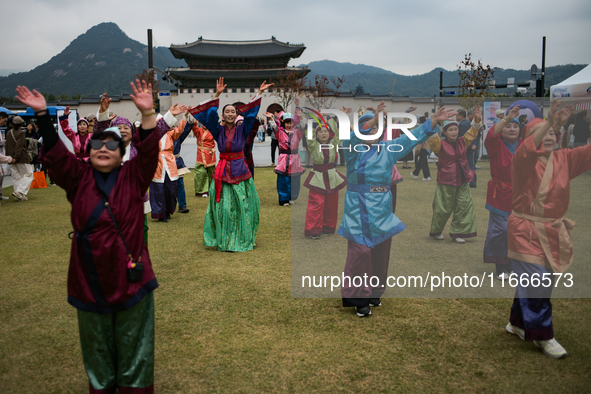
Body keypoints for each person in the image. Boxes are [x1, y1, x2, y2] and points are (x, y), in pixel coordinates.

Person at [15, 80, 160, 392]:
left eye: (111, 145)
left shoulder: (135, 177)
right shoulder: (77, 177)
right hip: (88, 278)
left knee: (135, 347)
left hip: (131, 277)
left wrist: (148, 113)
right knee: (97, 349)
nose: (103, 149)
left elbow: (148, 150)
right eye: (97, 145)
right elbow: (55, 154)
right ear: (89, 152)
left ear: (123, 153)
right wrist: (42, 115)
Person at [339, 102, 457, 317]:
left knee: (381, 250)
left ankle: (375, 291)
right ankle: (357, 296)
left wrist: (433, 121)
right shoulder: (352, 150)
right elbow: (352, 137)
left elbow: (411, 138)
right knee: (361, 250)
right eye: (368, 128)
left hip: (382, 206)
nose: (372, 131)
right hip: (358, 207)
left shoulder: (388, 150)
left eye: (376, 128)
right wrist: (372, 120)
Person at [504, 99, 586, 359]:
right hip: (524, 228)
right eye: (543, 133)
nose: (549, 136)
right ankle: (542, 335)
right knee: (537, 279)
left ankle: (517, 322)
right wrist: (550, 120)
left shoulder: (565, 159)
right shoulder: (523, 162)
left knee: (540, 280)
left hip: (552, 230)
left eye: (552, 132)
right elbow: (527, 150)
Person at [189, 78, 272, 252]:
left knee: (243, 206)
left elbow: (250, 115)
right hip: (223, 171)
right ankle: (225, 237)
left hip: (240, 169)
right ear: (223, 115)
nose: (230, 114)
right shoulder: (217, 130)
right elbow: (210, 114)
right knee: (224, 208)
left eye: (233, 112)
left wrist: (260, 93)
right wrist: (217, 94)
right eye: (227, 111)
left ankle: (242, 235)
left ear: (236, 115)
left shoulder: (243, 129)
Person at [428, 106, 482, 243]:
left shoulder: (463, 141)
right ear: (445, 132)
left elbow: (473, 132)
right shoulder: (440, 145)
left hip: (463, 178)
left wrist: (476, 118)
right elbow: (432, 136)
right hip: (446, 180)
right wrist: (434, 120)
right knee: (442, 208)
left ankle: (459, 233)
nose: (454, 132)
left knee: (463, 206)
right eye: (450, 130)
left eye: (455, 130)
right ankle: (437, 230)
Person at [483, 106, 523, 280]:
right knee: (501, 230)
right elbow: (491, 134)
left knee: (516, 231)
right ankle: (499, 264)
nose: (512, 129)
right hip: (500, 193)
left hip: (521, 195)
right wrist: (507, 119)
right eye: (508, 126)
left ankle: (511, 264)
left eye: (515, 126)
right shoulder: (496, 145)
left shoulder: (524, 145)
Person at [303, 110, 346, 239]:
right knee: (316, 204)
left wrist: (341, 116)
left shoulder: (333, 144)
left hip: (332, 176)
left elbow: (340, 135)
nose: (323, 133)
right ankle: (313, 230)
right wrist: (313, 120)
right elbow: (308, 136)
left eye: (326, 131)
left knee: (331, 205)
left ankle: (328, 227)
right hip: (318, 176)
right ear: (317, 134)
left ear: (329, 134)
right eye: (320, 131)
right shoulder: (313, 145)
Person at [267, 110, 305, 206]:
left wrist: (301, 118)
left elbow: (303, 127)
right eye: (287, 123)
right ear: (284, 123)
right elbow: (274, 127)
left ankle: (291, 197)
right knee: (283, 180)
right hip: (284, 159)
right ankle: (283, 199)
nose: (289, 125)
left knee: (295, 180)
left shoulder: (297, 133)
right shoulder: (280, 132)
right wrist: (272, 119)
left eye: (291, 122)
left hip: (295, 159)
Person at [5, 115, 33, 201]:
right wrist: (16, 157)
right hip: (20, 157)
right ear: (21, 124)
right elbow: (19, 146)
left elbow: (8, 146)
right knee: (28, 175)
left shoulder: (8, 132)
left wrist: (11, 157)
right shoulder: (21, 133)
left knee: (16, 177)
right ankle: (20, 192)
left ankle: (19, 194)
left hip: (10, 157)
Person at [193, 121, 216, 198]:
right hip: (201, 154)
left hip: (210, 154)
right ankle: (202, 191)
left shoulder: (213, 130)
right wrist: (194, 121)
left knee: (211, 173)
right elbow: (193, 128)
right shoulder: (199, 130)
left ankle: (211, 189)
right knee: (200, 173)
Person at [410, 115, 431, 181]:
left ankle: (427, 176)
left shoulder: (421, 128)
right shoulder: (427, 127)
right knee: (421, 161)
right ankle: (415, 173)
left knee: (424, 162)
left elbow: (420, 139)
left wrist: (417, 149)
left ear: (420, 121)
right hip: (428, 146)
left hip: (423, 147)